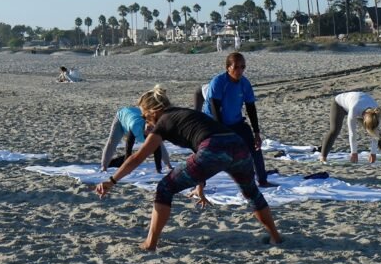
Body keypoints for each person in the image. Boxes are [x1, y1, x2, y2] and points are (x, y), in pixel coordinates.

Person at [95, 85, 283, 250]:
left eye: (145, 116)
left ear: (153, 112)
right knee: (251, 193)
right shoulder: (185, 114)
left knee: (164, 188)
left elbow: (137, 157)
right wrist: (200, 187)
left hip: (214, 148)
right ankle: (275, 236)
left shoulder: (163, 122)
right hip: (238, 145)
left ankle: (150, 243)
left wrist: (112, 181)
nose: (146, 121)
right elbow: (199, 151)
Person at [206, 52, 273, 187]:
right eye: (236, 67)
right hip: (213, 123)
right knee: (210, 154)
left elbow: (251, 108)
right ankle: (200, 184)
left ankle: (262, 180)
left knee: (255, 147)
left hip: (235, 122)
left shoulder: (244, 83)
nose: (240, 70)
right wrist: (220, 133)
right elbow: (215, 108)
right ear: (228, 67)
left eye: (243, 67)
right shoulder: (218, 82)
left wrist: (257, 132)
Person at [320, 91, 381, 164]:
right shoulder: (354, 109)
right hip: (339, 104)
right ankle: (323, 157)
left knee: (376, 133)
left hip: (361, 103)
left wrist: (373, 153)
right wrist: (354, 152)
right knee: (334, 130)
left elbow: (375, 133)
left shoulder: (376, 112)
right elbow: (352, 133)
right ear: (363, 119)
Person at [100, 106, 172, 173]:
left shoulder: (156, 131)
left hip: (136, 113)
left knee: (158, 143)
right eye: (147, 125)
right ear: (146, 122)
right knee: (112, 141)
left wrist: (158, 169)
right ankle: (104, 167)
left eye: (151, 127)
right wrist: (126, 168)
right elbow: (129, 147)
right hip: (122, 116)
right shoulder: (135, 126)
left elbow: (158, 151)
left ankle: (168, 165)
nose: (148, 128)